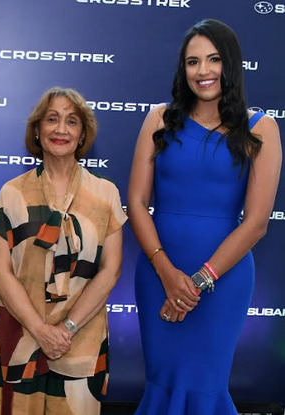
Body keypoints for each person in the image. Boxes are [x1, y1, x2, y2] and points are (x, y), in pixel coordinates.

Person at [128, 19, 281, 414]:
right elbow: (137, 202)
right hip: (157, 274)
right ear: (183, 69)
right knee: (162, 383)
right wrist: (166, 273)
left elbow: (257, 223)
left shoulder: (260, 128)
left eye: (213, 59)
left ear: (230, 64)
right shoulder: (159, 119)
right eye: (192, 62)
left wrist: (195, 284)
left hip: (222, 282)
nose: (203, 71)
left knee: (205, 387)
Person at [0, 87, 126, 415]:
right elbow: (0, 271)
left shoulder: (106, 194)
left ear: (82, 135)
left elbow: (111, 270)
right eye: (52, 119)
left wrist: (66, 330)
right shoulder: (12, 192)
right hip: (19, 335)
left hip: (82, 339)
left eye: (71, 122)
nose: (61, 129)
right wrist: (39, 329)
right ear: (37, 130)